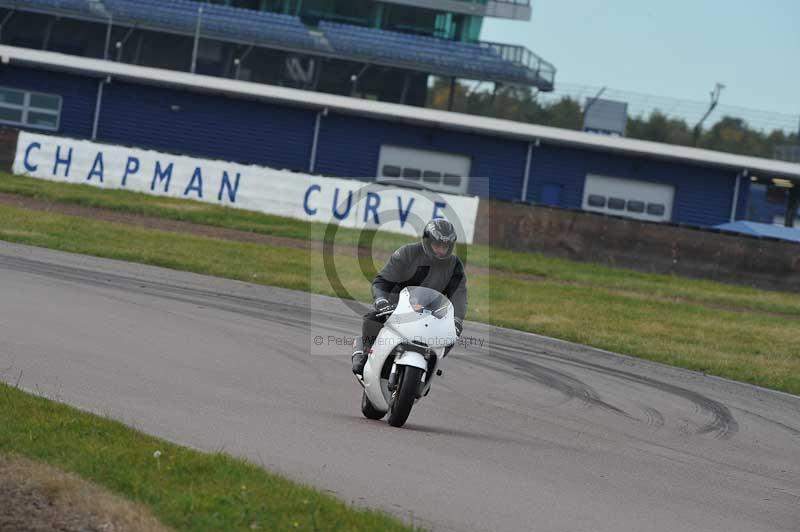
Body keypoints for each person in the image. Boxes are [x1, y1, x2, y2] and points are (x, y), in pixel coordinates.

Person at [352, 218, 467, 375]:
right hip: (398, 306)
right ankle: (364, 353)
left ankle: (430, 365)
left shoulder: (454, 265)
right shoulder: (407, 253)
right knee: (372, 319)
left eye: (445, 246)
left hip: (432, 312)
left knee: (451, 335)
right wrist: (381, 301)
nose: (441, 250)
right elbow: (382, 281)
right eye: (437, 245)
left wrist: (457, 320)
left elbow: (459, 294)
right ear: (427, 242)